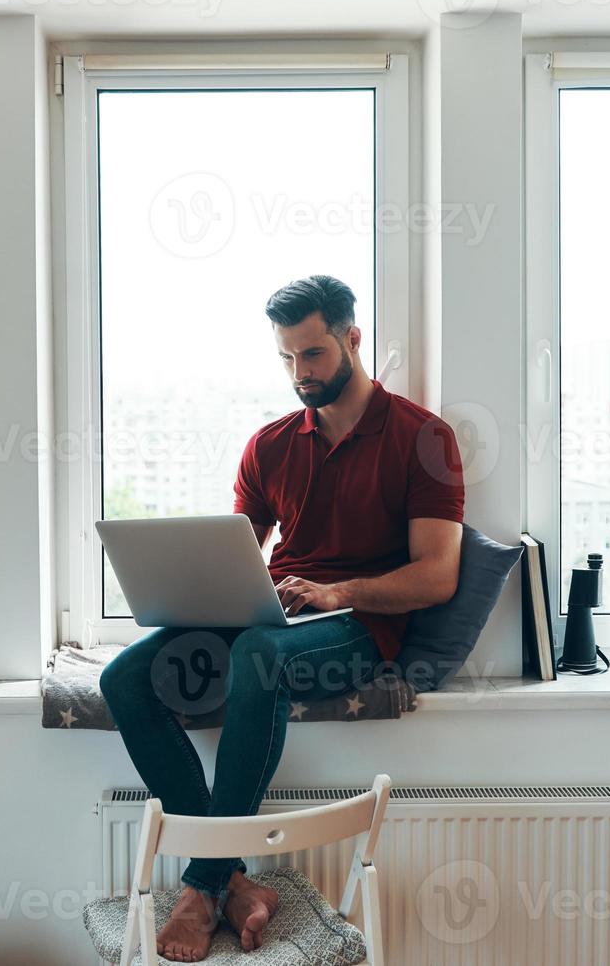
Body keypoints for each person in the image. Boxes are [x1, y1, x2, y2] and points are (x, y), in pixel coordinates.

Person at [99, 274, 465, 962]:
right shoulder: (269, 444)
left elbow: (438, 575)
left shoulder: (424, 438)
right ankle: (238, 884)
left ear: (352, 339)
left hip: (359, 627)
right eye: (287, 359)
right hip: (274, 613)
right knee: (124, 677)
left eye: (314, 354)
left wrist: (339, 591)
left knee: (259, 657)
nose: (300, 374)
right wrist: (202, 594)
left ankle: (201, 890)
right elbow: (238, 551)